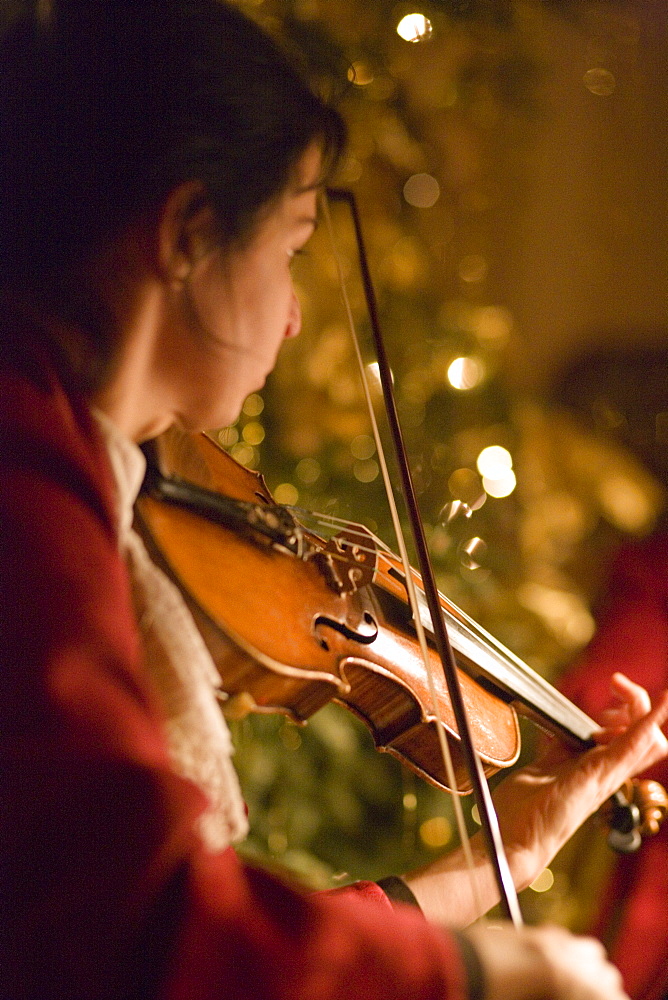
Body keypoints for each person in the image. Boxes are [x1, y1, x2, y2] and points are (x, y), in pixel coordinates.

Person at [1, 3, 667, 999]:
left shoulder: (75, 454)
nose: (296, 305)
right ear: (187, 233)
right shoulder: (24, 469)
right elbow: (138, 930)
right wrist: (473, 976)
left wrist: (500, 861)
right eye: (293, 242)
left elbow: (190, 932)